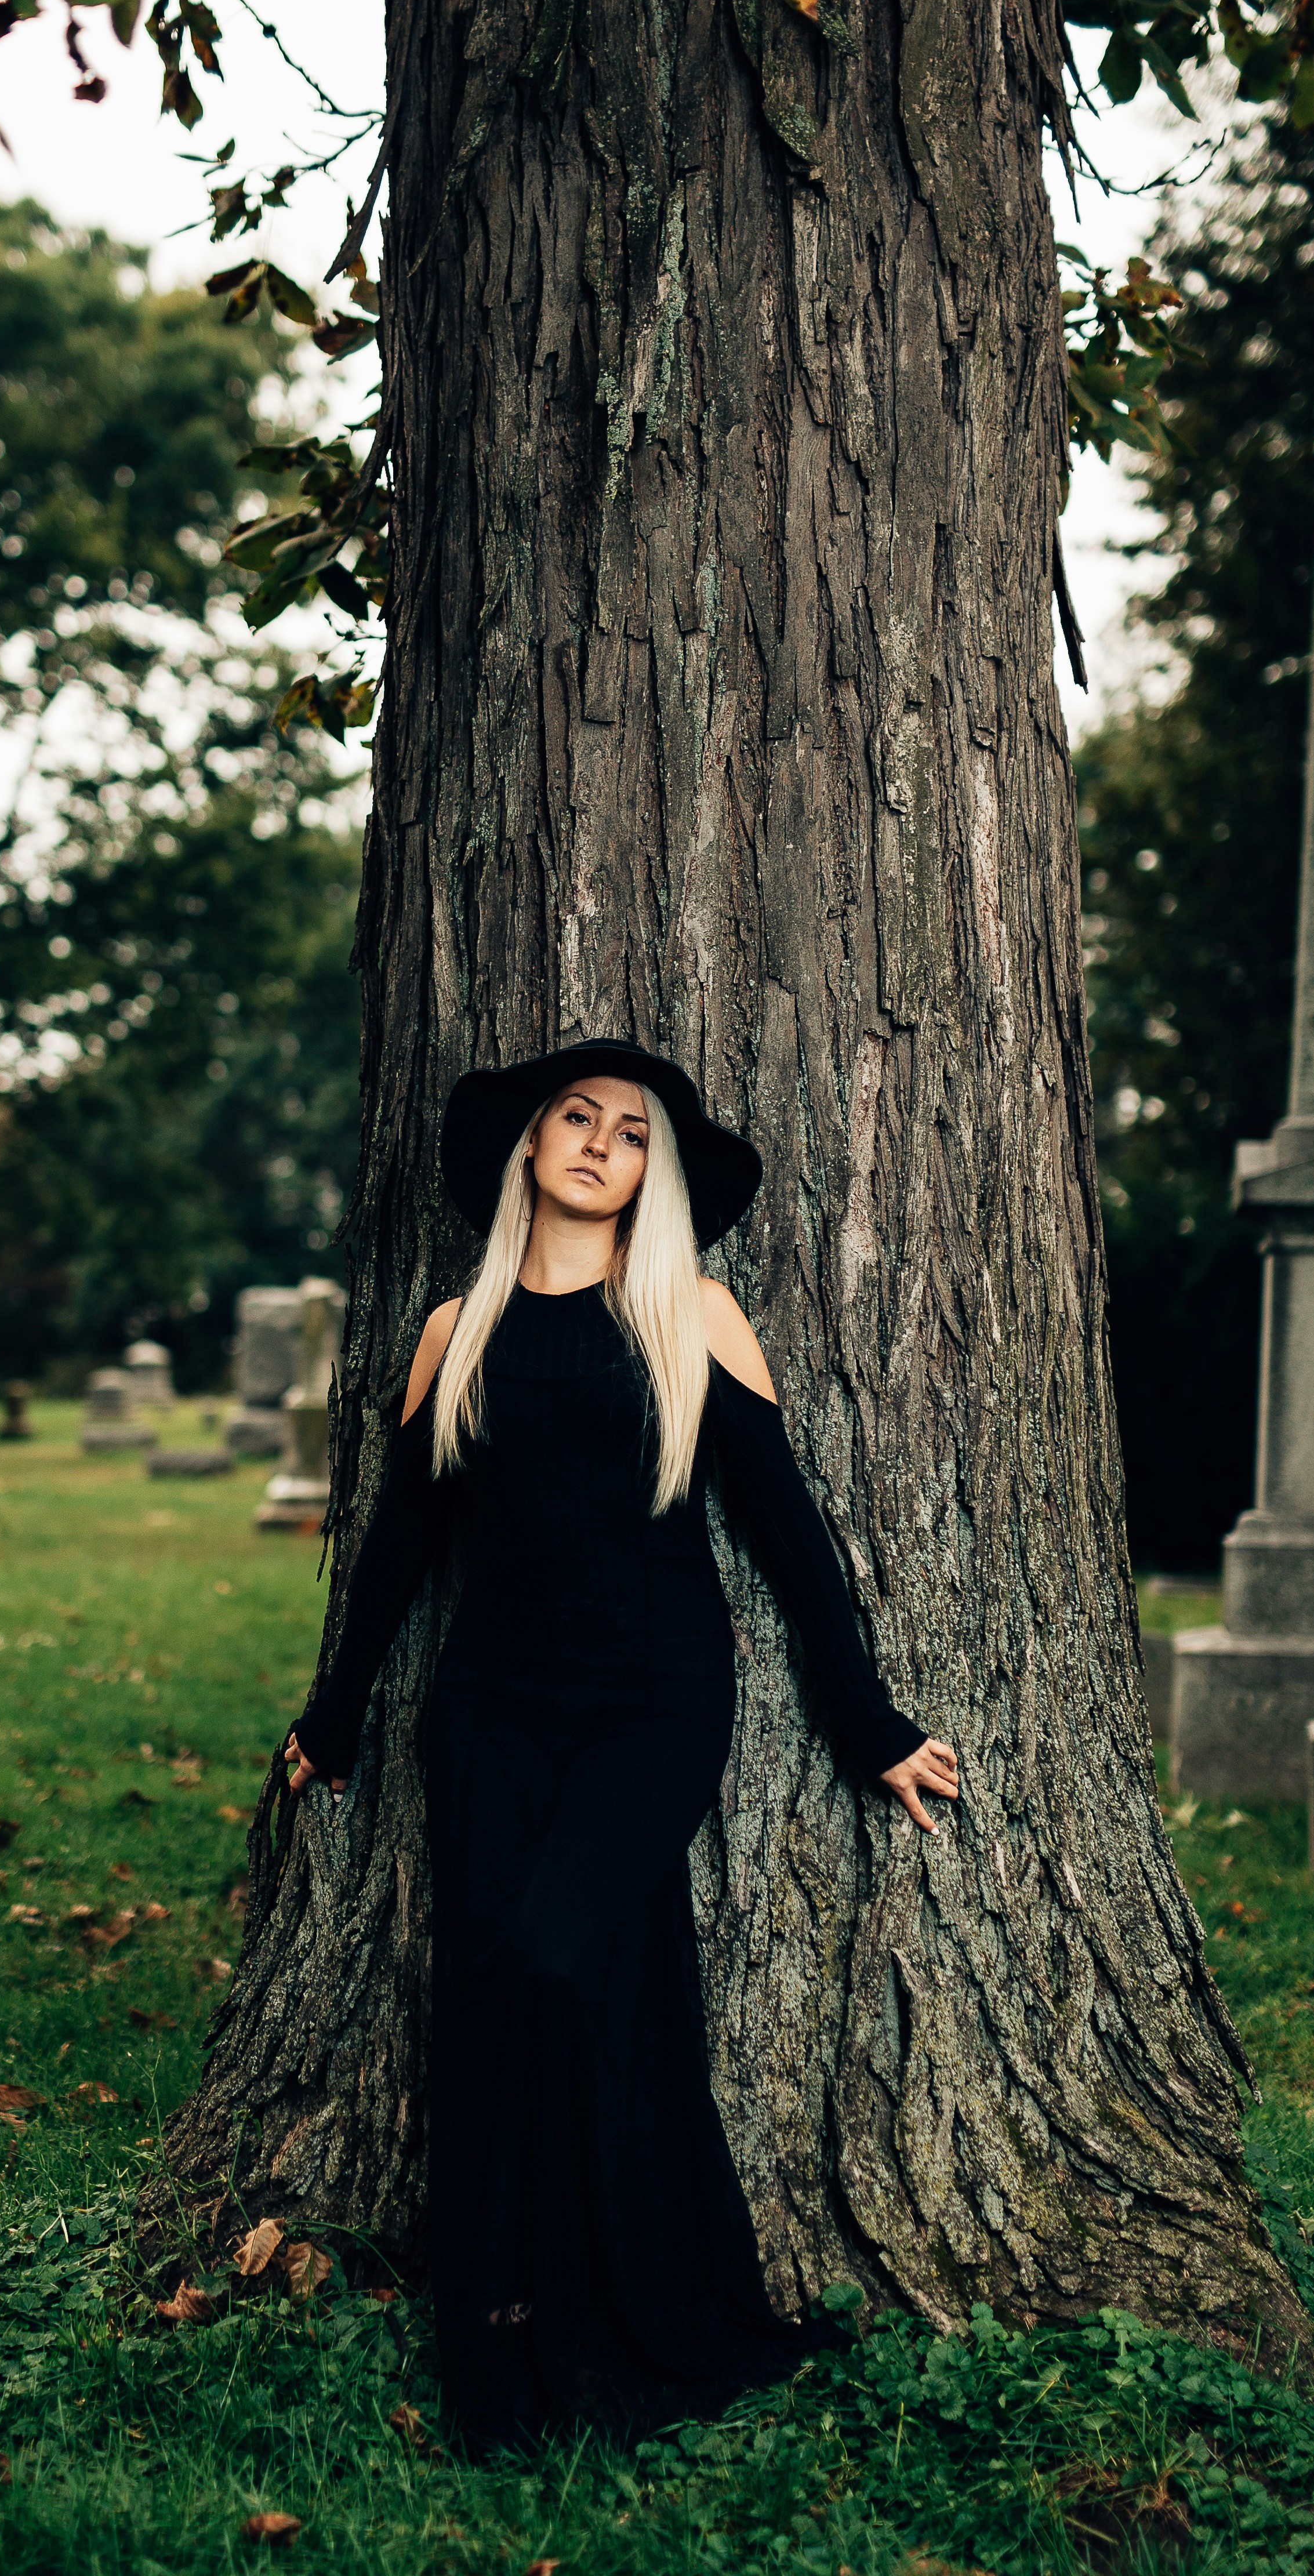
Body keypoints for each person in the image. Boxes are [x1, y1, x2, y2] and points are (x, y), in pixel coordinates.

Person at [282, 1039, 959, 2454]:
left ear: (654, 1173)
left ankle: (639, 2307)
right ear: (531, 1147)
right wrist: (331, 1715)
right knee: (498, 1996)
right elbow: (397, 1550)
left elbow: (790, 1541)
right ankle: (505, 2327)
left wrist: (871, 1724)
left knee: (556, 1957)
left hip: (653, 1704)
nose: (599, 1144)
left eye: (632, 1132)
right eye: (576, 1119)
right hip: (487, 1711)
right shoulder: (452, 1330)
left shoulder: (693, 1313)